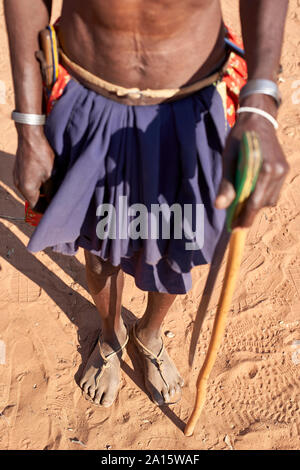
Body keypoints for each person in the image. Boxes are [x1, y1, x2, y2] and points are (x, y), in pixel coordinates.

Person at [4, 0, 289, 408]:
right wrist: (29, 127)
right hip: (88, 101)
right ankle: (111, 334)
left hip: (190, 111)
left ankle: (149, 334)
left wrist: (260, 104)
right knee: (102, 249)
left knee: (173, 245)